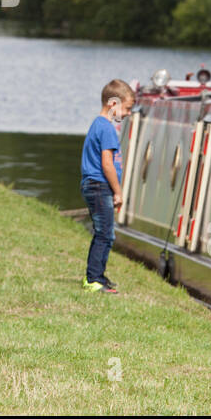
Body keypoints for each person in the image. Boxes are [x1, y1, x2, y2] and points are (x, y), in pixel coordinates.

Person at [80, 79, 134, 293]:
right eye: (127, 108)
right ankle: (93, 278)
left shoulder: (98, 124)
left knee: (104, 232)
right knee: (104, 233)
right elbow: (107, 164)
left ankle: (98, 276)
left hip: (95, 185)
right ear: (113, 104)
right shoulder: (107, 129)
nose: (129, 113)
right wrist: (118, 192)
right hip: (100, 185)